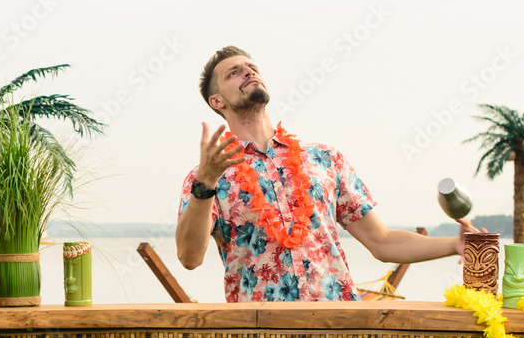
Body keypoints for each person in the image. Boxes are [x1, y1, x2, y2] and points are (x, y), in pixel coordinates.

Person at [176, 45, 479, 302]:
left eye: (252, 67)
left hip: (337, 332)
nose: (249, 72)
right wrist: (206, 183)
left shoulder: (324, 159)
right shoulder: (206, 177)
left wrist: (454, 244)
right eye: (234, 72)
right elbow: (190, 258)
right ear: (217, 101)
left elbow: (382, 241)